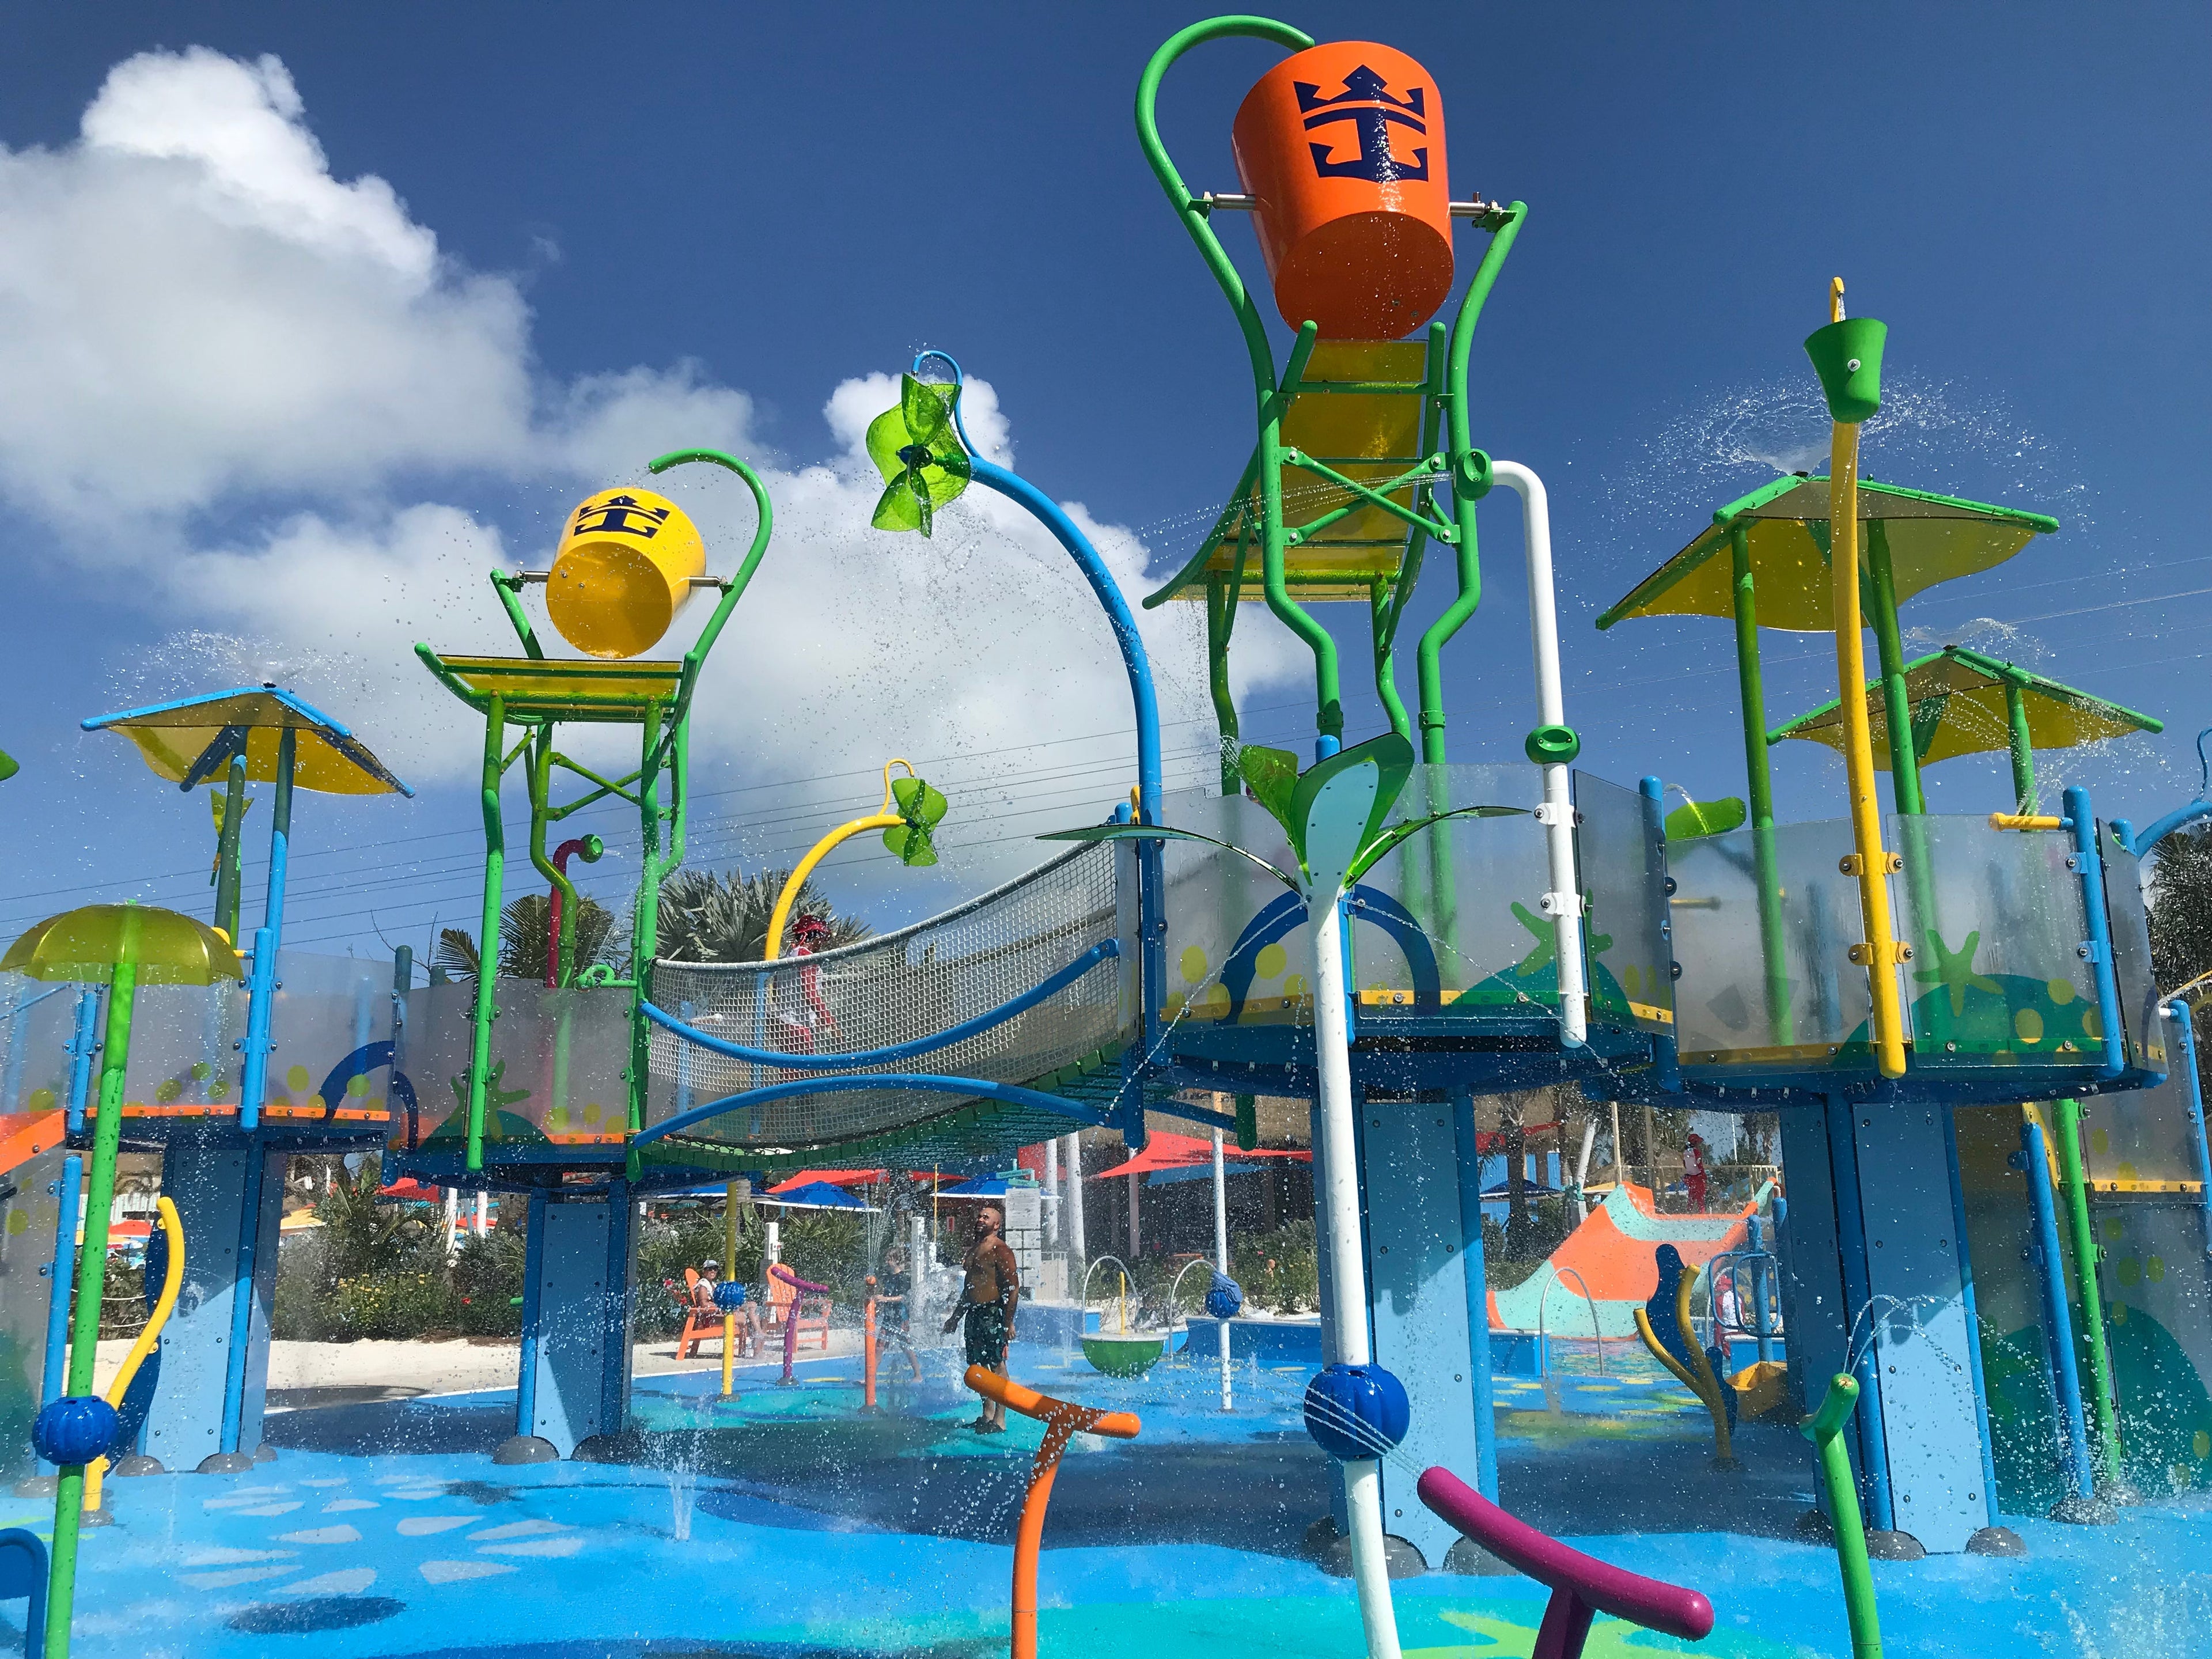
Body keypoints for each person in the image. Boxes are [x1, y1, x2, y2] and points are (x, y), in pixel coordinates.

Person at [943, 1205, 1020, 1431]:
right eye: (979, 1216)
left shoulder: (1001, 1250)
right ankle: (987, 1414)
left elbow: (1014, 1288)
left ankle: (1000, 1419)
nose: (980, 1219)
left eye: (986, 1217)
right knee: (977, 1366)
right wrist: (955, 1318)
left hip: (992, 1312)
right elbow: (969, 1289)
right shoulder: (975, 1249)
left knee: (996, 1365)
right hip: (974, 1314)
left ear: (997, 1225)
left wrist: (1008, 1322)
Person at [874, 1243, 923, 1382]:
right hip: (888, 1317)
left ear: (896, 1260)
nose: (887, 1262)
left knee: (905, 1346)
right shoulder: (887, 1277)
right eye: (886, 1259)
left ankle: (918, 1375)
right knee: (879, 1346)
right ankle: (870, 1377)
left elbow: (903, 1297)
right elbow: (885, 1295)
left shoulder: (903, 1278)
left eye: (889, 1259)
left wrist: (886, 1299)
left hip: (901, 1317)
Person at [1682, 1132, 1710, 1212]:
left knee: (1691, 1196)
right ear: (1696, 1142)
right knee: (1700, 1197)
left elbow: (1685, 1165)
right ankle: (1702, 1212)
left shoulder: (1686, 1152)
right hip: (1698, 1177)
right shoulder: (1696, 1152)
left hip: (1690, 1177)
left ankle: (1689, 1211)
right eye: (1698, 1142)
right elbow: (1699, 1165)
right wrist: (1704, 1176)